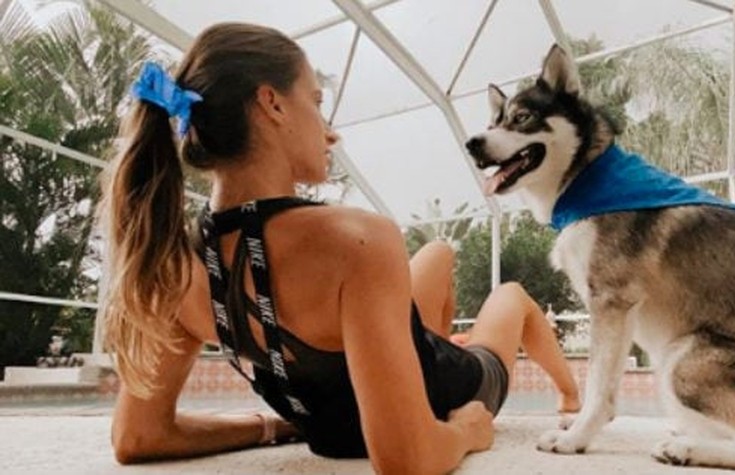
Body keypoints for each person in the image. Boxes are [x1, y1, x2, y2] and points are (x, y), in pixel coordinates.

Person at [98, 22, 579, 474]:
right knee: (512, 296)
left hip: (361, 391)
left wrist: (274, 424)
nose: (330, 130)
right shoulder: (356, 240)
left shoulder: (173, 266)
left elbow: (138, 437)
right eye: (317, 101)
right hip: (462, 386)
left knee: (437, 253)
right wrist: (466, 431)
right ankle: (570, 395)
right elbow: (408, 458)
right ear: (273, 104)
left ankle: (413, 351)